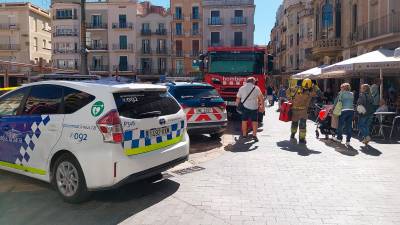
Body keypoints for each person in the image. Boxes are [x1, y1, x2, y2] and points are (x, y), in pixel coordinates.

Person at [286, 78, 321, 144]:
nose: (306, 89)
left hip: (302, 110)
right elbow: (288, 91)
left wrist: (315, 86)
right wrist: (289, 99)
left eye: (307, 88)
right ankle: (294, 134)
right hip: (297, 110)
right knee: (295, 124)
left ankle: (300, 138)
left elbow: (320, 94)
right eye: (305, 88)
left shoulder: (309, 91)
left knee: (301, 124)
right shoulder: (298, 89)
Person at [236, 77, 265, 141]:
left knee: (244, 121)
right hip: (254, 107)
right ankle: (254, 136)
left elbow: (238, 98)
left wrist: (237, 106)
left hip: (245, 107)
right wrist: (262, 107)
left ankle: (244, 135)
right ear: (253, 82)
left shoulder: (242, 88)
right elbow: (261, 98)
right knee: (255, 122)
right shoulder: (256, 88)